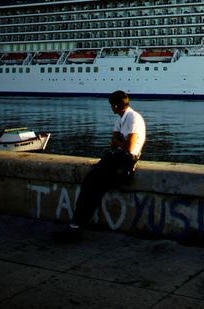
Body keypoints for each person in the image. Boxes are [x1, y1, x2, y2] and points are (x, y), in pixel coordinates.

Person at [54, 90, 146, 242]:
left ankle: (75, 229)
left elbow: (128, 148)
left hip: (125, 160)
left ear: (115, 106)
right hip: (116, 157)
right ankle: (75, 227)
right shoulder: (122, 118)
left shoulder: (133, 117)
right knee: (89, 185)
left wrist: (119, 142)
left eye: (111, 106)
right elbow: (114, 142)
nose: (111, 108)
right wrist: (119, 142)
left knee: (91, 186)